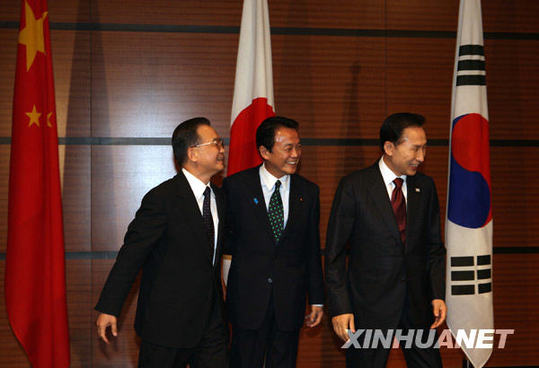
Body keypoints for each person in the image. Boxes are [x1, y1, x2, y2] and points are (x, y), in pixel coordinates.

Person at [95, 117, 228, 368]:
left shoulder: (219, 198)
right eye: (215, 143)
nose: (222, 149)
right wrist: (109, 306)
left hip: (211, 323)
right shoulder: (162, 199)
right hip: (167, 325)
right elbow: (132, 255)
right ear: (193, 153)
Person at [325, 113, 447, 367]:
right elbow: (334, 254)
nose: (422, 157)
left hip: (417, 304)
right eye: (415, 149)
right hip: (367, 308)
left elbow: (433, 247)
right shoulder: (355, 186)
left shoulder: (425, 187)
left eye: (424, 148)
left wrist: (437, 294)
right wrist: (340, 307)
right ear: (389, 148)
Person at [223, 116, 324, 368]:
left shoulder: (309, 192)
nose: (295, 154)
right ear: (265, 152)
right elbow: (223, 244)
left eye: (298, 147)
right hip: (247, 302)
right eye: (288, 148)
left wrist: (317, 298)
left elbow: (311, 249)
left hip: (289, 303)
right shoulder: (236, 187)